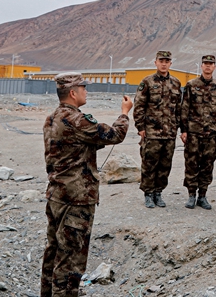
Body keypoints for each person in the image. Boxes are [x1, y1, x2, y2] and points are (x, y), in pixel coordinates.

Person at [41, 72, 132, 297]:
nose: (86, 91)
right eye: (83, 88)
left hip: (57, 195)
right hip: (76, 199)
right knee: (71, 259)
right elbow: (114, 135)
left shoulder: (52, 118)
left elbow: (75, 146)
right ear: (73, 93)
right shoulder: (77, 120)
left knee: (53, 252)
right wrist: (124, 113)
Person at [133, 50, 182, 208]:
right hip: (152, 132)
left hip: (169, 133)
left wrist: (178, 127)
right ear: (155, 63)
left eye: (167, 61)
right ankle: (148, 193)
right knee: (149, 164)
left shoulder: (176, 83)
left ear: (170, 64)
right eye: (161, 61)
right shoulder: (147, 82)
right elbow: (139, 105)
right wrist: (140, 127)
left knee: (165, 165)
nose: (164, 64)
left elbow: (179, 108)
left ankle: (158, 192)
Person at [180, 55, 216, 210]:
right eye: (205, 64)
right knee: (191, 164)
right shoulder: (192, 85)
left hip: (211, 134)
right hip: (193, 133)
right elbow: (184, 108)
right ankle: (191, 195)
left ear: (214, 67)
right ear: (201, 66)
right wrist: (184, 130)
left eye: (211, 64)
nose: (208, 66)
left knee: (207, 165)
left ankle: (202, 195)